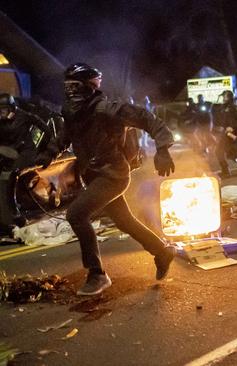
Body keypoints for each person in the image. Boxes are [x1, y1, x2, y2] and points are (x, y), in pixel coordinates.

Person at [34, 63, 176, 296]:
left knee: (76, 215)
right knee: (124, 220)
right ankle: (161, 251)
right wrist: (49, 153)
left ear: (89, 87)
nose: (70, 92)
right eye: (67, 86)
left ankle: (97, 274)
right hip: (93, 175)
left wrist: (163, 149)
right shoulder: (70, 112)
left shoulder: (107, 109)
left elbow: (148, 119)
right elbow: (65, 135)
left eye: (75, 86)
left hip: (113, 175)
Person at [0, 93, 54, 171]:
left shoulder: (23, 116)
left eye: (3, 109)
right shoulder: (2, 121)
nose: (1, 112)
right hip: (9, 149)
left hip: (25, 151)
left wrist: (48, 146)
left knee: (16, 173)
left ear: (11, 108)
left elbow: (44, 127)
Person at [212, 90, 237, 176]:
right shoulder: (224, 107)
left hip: (235, 132)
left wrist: (232, 127)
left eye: (224, 96)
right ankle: (225, 171)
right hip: (226, 134)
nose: (222, 98)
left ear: (228, 97)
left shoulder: (234, 107)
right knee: (218, 151)